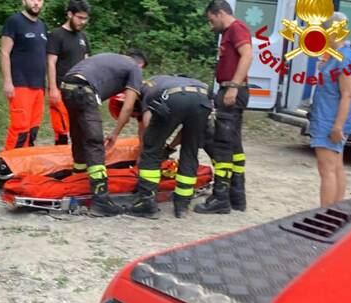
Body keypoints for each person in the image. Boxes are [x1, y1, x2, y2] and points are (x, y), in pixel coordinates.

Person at [60, 50, 147, 216]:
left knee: (78, 136)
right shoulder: (134, 68)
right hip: (84, 89)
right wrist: (115, 134)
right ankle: (101, 200)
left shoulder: (111, 58)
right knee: (94, 142)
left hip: (66, 85)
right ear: (140, 65)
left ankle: (78, 179)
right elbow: (128, 107)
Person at [194, 0, 252, 215]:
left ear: (219, 13)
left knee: (222, 145)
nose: (211, 25)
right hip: (230, 90)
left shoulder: (237, 29)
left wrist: (233, 87)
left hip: (231, 91)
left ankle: (221, 198)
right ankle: (237, 196)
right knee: (234, 146)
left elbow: (247, 55)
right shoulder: (229, 34)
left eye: (211, 20)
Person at [128, 75, 213, 219]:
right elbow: (185, 132)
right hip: (203, 99)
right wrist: (169, 148)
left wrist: (149, 149)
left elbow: (149, 128)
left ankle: (147, 203)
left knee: (151, 150)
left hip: (174, 98)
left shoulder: (146, 89)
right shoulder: (167, 81)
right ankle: (182, 206)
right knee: (190, 151)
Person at [309, 12, 351, 207]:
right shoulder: (335, 56)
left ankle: (324, 215)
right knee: (336, 167)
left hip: (330, 121)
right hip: (328, 117)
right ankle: (335, 211)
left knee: (326, 170)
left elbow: (347, 94)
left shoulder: (343, 58)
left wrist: (337, 126)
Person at [1, 0, 48, 150]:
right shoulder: (14, 21)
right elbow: (4, 52)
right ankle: (7, 166)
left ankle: (24, 165)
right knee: (20, 128)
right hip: (20, 83)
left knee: (33, 129)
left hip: (39, 85)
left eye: (39, 0)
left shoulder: (42, 26)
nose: (36, 3)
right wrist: (8, 81)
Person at [47, 0, 92, 145]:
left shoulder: (83, 37)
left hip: (80, 91)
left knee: (80, 129)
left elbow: (87, 62)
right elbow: (51, 62)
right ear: (69, 14)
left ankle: (77, 162)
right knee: (62, 129)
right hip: (61, 89)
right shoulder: (57, 35)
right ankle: (61, 161)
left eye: (85, 18)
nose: (82, 22)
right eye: (79, 18)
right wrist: (53, 88)